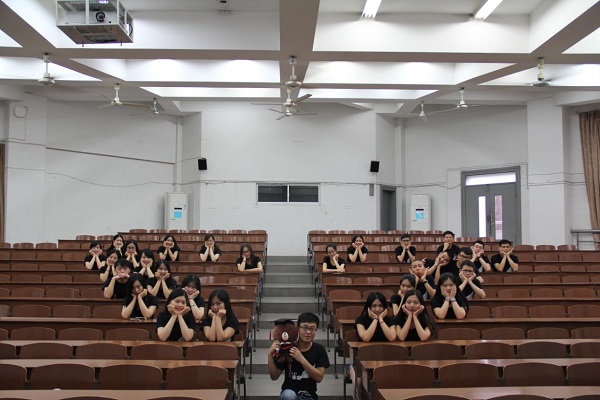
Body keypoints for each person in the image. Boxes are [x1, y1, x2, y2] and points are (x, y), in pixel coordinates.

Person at [268, 312, 330, 400]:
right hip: (289, 394)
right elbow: (274, 376)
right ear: (297, 328)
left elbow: (319, 377)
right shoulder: (288, 348)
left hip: (309, 396)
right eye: (304, 328)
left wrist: (301, 359)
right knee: (288, 395)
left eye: (312, 329)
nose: (308, 332)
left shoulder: (319, 349)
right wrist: (270, 355)